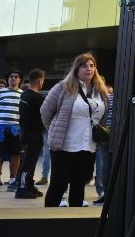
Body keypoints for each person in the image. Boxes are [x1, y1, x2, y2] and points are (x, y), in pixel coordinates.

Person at [40, 53, 108, 208]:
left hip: (88, 147)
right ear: (76, 69)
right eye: (84, 66)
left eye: (92, 66)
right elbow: (45, 111)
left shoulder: (100, 91)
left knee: (79, 186)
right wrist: (55, 130)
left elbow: (102, 118)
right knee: (58, 184)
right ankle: (46, 221)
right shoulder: (63, 87)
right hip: (64, 145)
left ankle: (73, 222)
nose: (89, 69)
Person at [0, 71, 23, 191]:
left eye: (16, 77)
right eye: (11, 77)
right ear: (7, 79)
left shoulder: (23, 94)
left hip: (16, 129)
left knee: (16, 155)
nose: (13, 78)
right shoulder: (0, 93)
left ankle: (13, 180)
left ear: (20, 80)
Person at [16, 69, 47, 199]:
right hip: (34, 133)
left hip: (26, 132)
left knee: (32, 161)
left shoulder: (24, 95)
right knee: (29, 162)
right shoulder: (37, 97)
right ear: (40, 81)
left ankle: (29, 184)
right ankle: (22, 188)